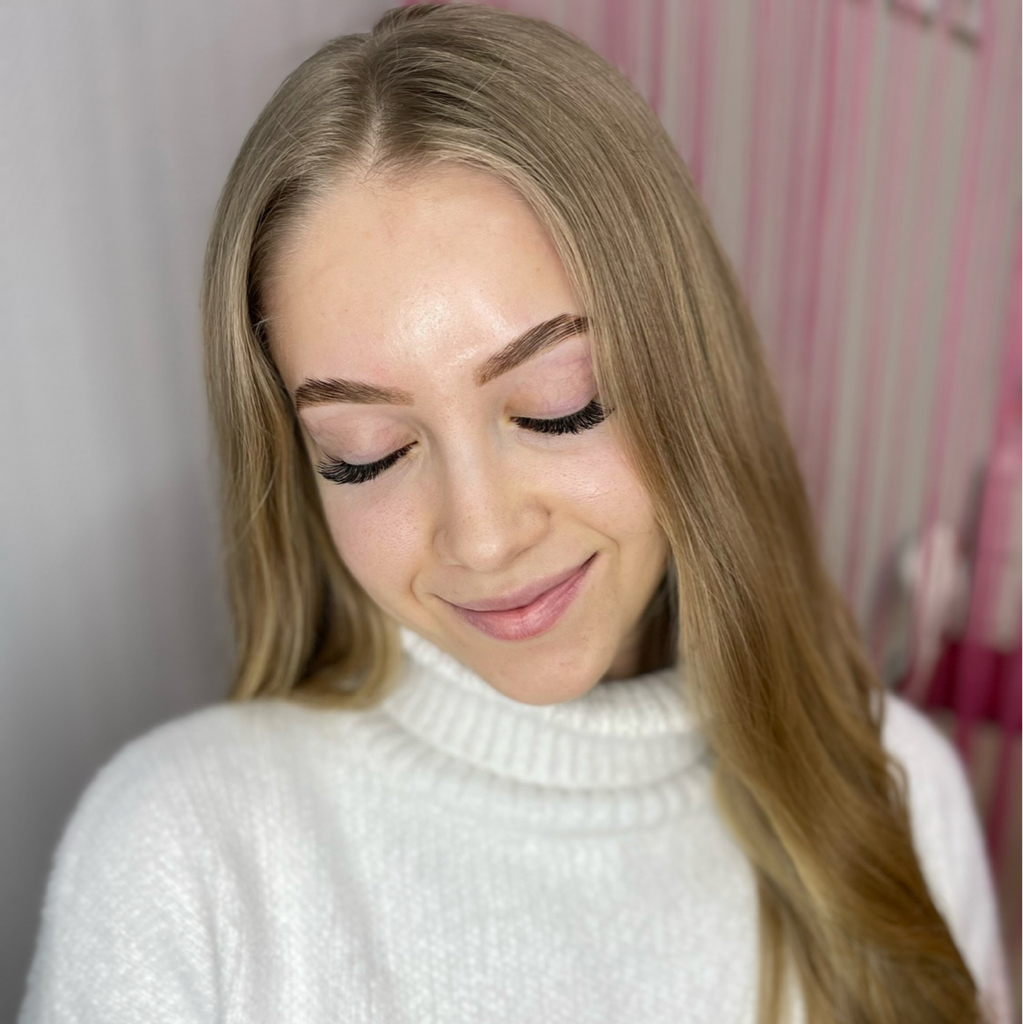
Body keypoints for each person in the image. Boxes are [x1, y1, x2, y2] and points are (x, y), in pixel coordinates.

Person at [18, 4, 1011, 1023]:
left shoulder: (900, 793)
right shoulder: (182, 857)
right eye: (369, 453)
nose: (484, 537)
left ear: (687, 371)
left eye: (558, 405)